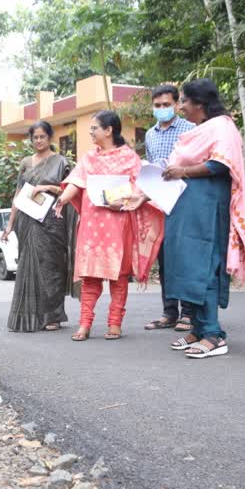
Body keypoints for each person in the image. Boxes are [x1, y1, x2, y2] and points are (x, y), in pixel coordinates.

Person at [159, 78, 245, 359]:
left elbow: (219, 164)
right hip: (186, 209)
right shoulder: (201, 130)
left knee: (205, 266)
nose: (181, 106)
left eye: (185, 101)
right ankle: (199, 328)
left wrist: (182, 172)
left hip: (208, 209)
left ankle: (213, 334)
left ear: (200, 103)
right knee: (186, 265)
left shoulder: (222, 126)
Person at [54, 111, 164, 341]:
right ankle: (85, 324)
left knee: (118, 276)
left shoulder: (129, 157)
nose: (91, 132)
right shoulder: (89, 158)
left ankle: (115, 324)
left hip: (118, 222)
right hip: (92, 224)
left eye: (94, 128)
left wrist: (122, 199)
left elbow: (140, 188)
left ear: (109, 130)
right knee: (90, 277)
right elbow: (76, 181)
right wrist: (64, 198)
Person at [2, 121, 75, 332]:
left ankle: (52, 316)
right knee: (28, 267)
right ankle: (28, 315)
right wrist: (10, 224)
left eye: (42, 136)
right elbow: (18, 195)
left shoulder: (61, 162)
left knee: (51, 268)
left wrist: (46, 187)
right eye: (35, 137)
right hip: (27, 221)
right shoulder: (25, 162)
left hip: (51, 222)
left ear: (50, 137)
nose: (38, 141)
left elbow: (69, 192)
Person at [143, 84, 196, 333]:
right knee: (165, 260)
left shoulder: (191, 129)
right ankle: (169, 312)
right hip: (159, 203)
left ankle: (188, 313)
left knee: (185, 258)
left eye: (166, 104)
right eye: (157, 105)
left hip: (185, 199)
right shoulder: (150, 135)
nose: (162, 109)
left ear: (177, 104)